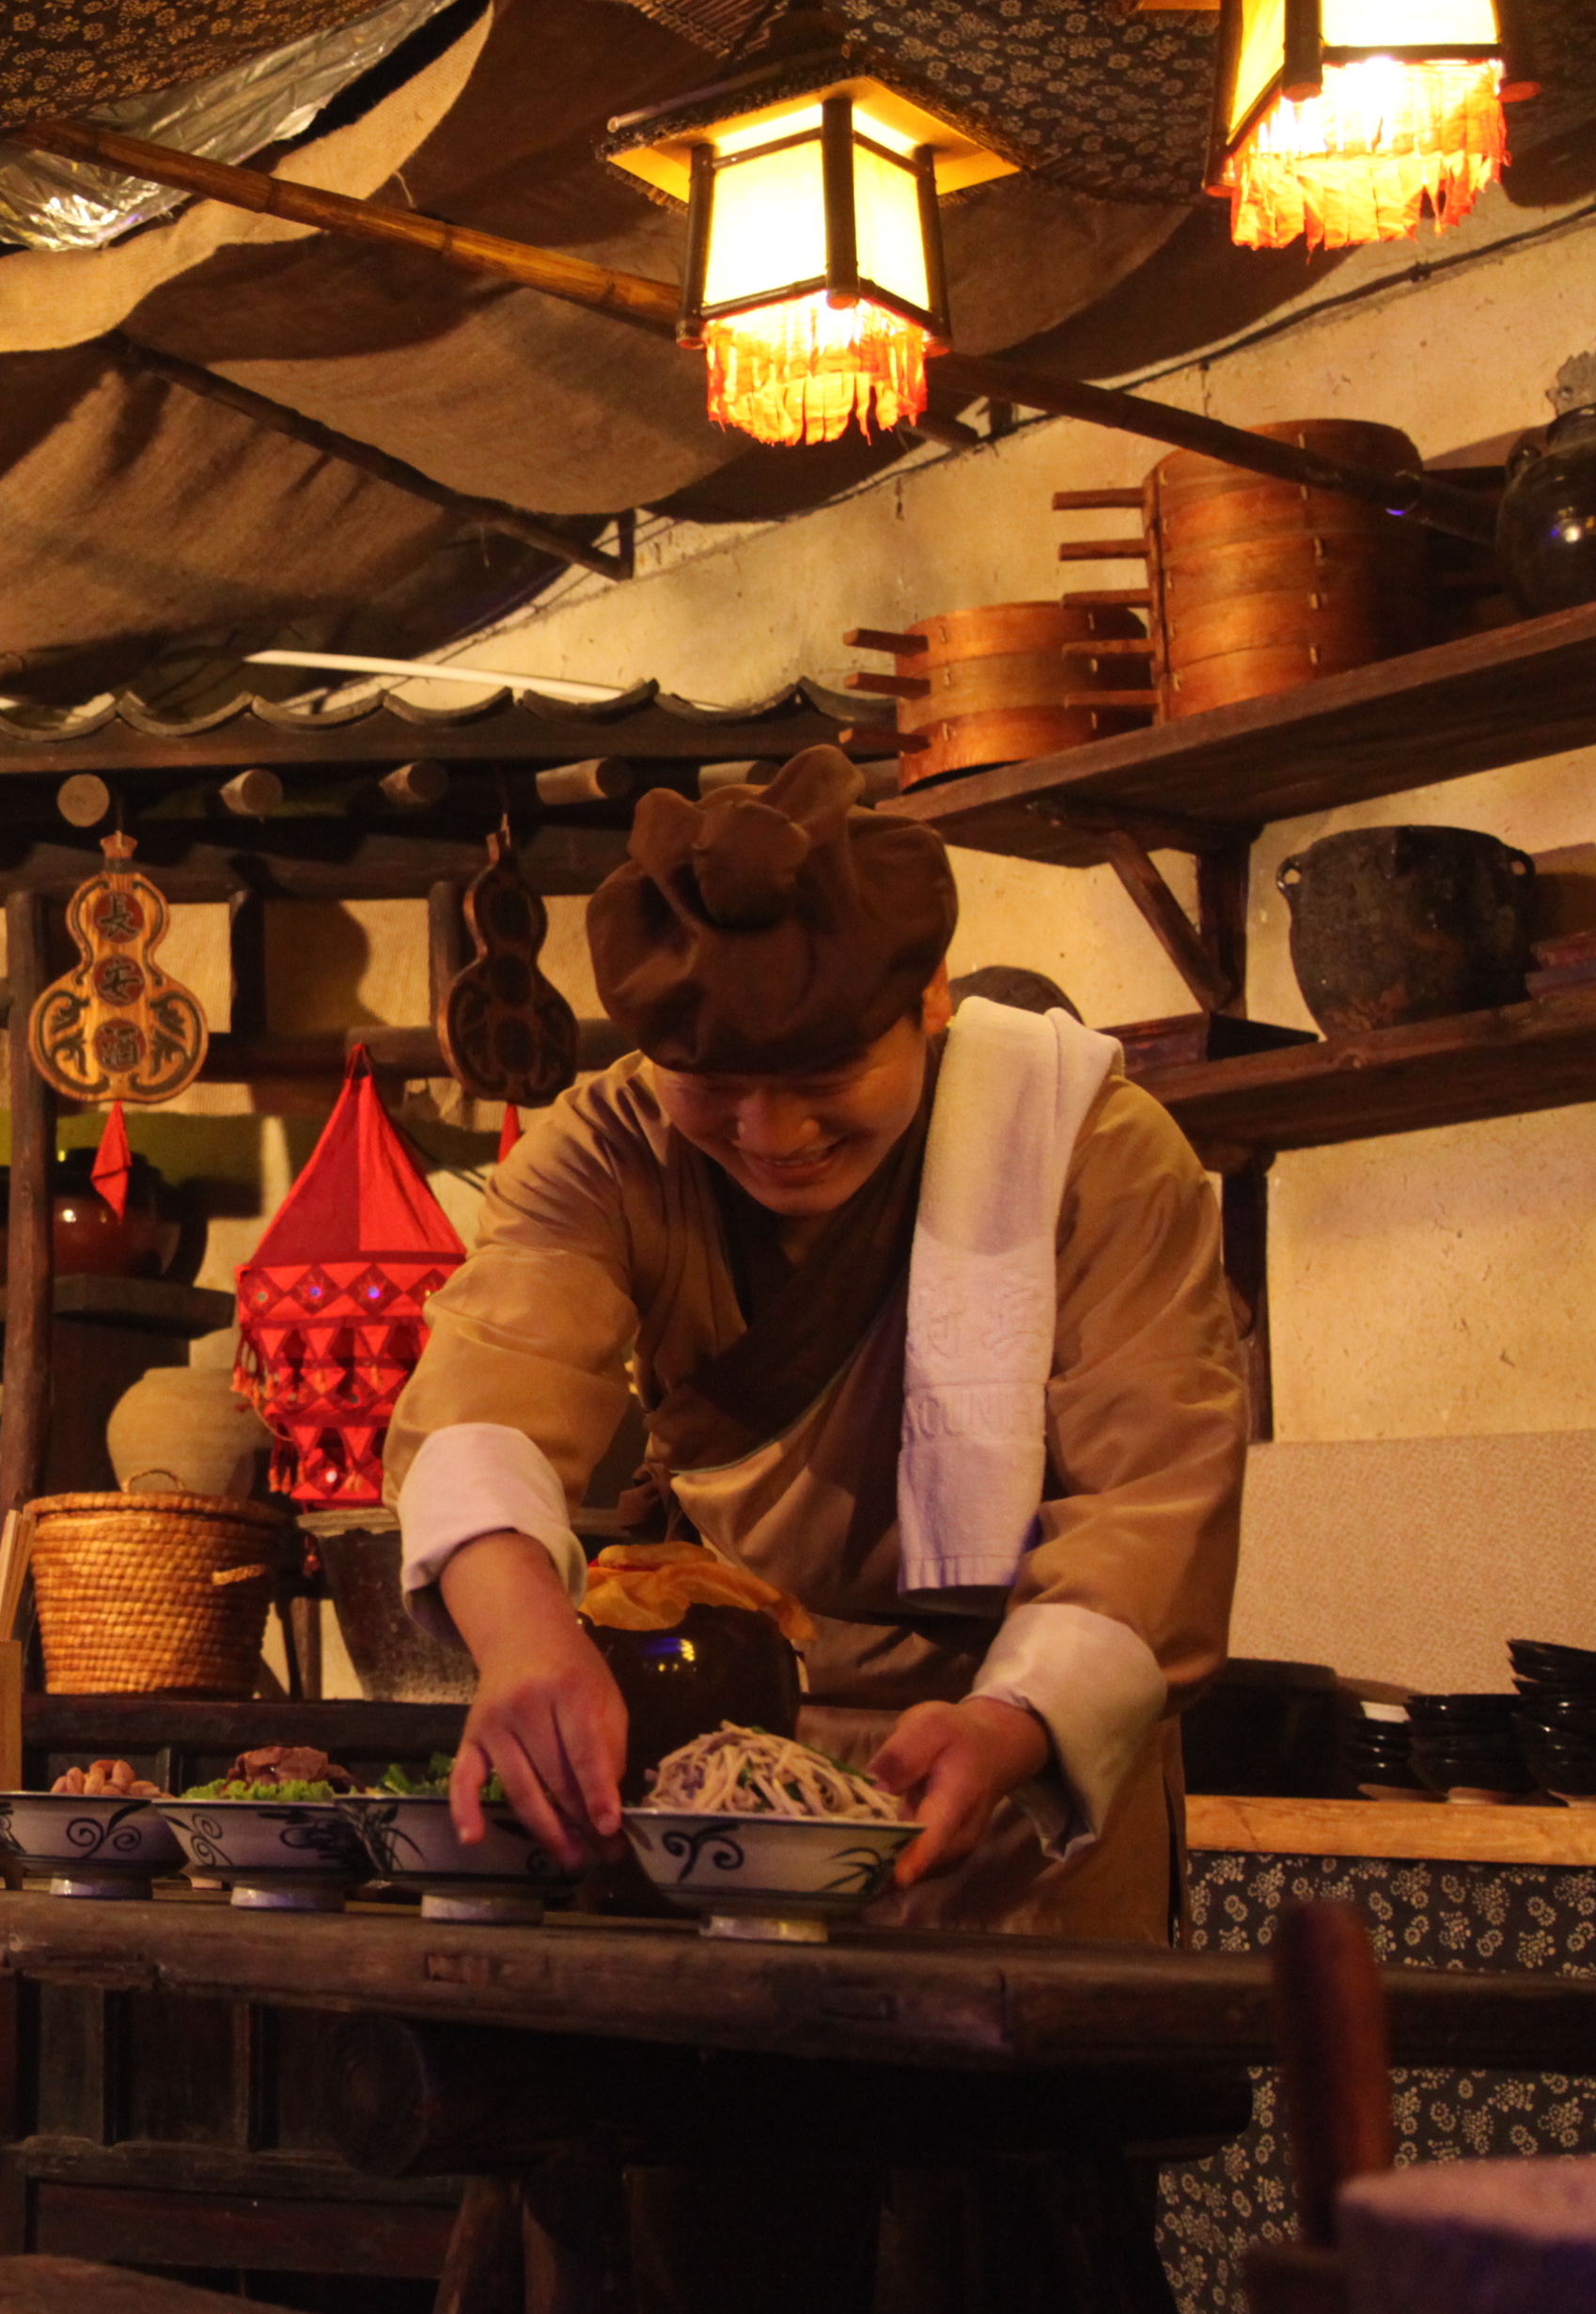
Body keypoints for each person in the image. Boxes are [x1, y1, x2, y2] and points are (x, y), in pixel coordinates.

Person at [392, 745, 1245, 1940]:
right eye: (712, 1084)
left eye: (827, 1072)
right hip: (730, 1774)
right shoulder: (609, 1152)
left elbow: (1152, 1501)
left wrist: (1008, 1724)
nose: (771, 1131)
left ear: (930, 996)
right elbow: (487, 1394)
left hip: (1020, 1771)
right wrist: (524, 1635)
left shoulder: (1093, 1151)